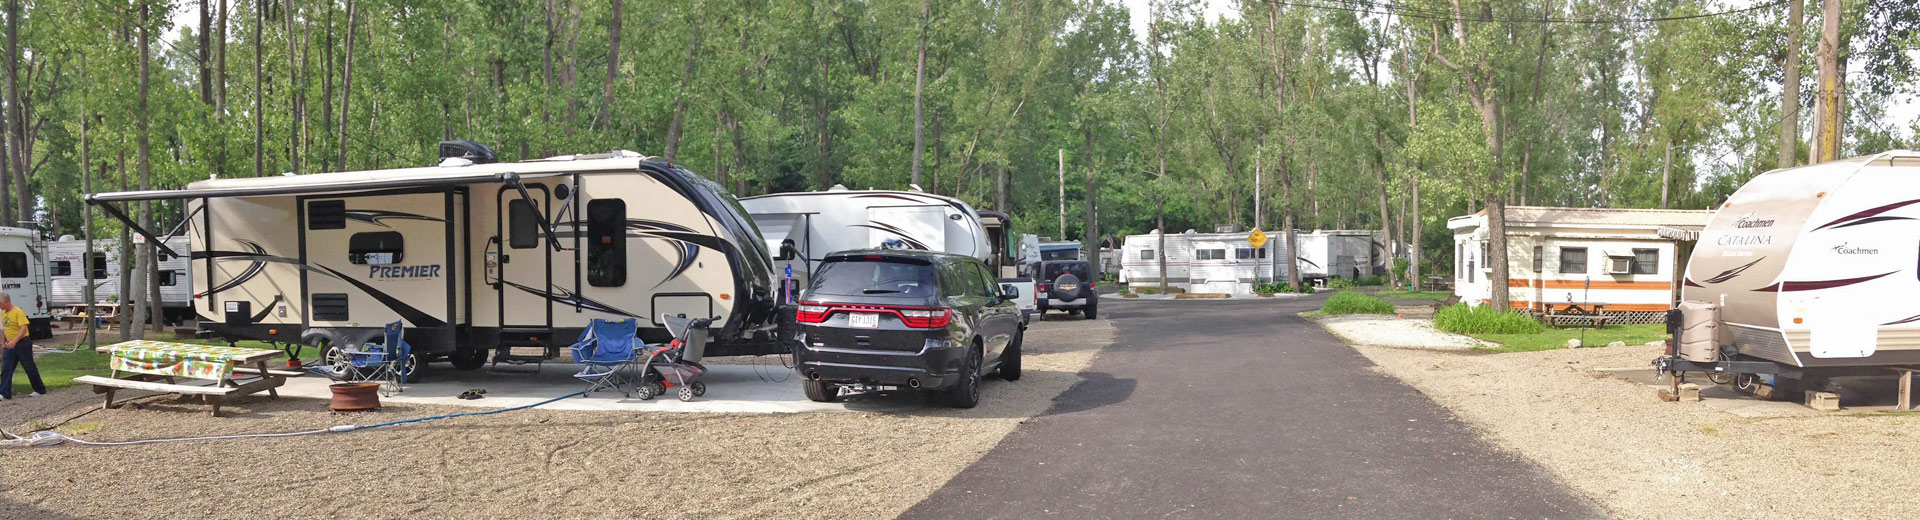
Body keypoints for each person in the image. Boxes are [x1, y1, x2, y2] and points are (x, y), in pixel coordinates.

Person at [0, 292, 44, 400]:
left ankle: (39, 389)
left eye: (0, 303)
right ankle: (4, 393)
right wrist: (3, 342)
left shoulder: (18, 311)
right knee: (6, 368)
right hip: (10, 344)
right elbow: (5, 328)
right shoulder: (3, 313)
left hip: (22, 343)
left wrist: (15, 341)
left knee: (29, 366)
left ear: (6, 301)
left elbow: (23, 328)